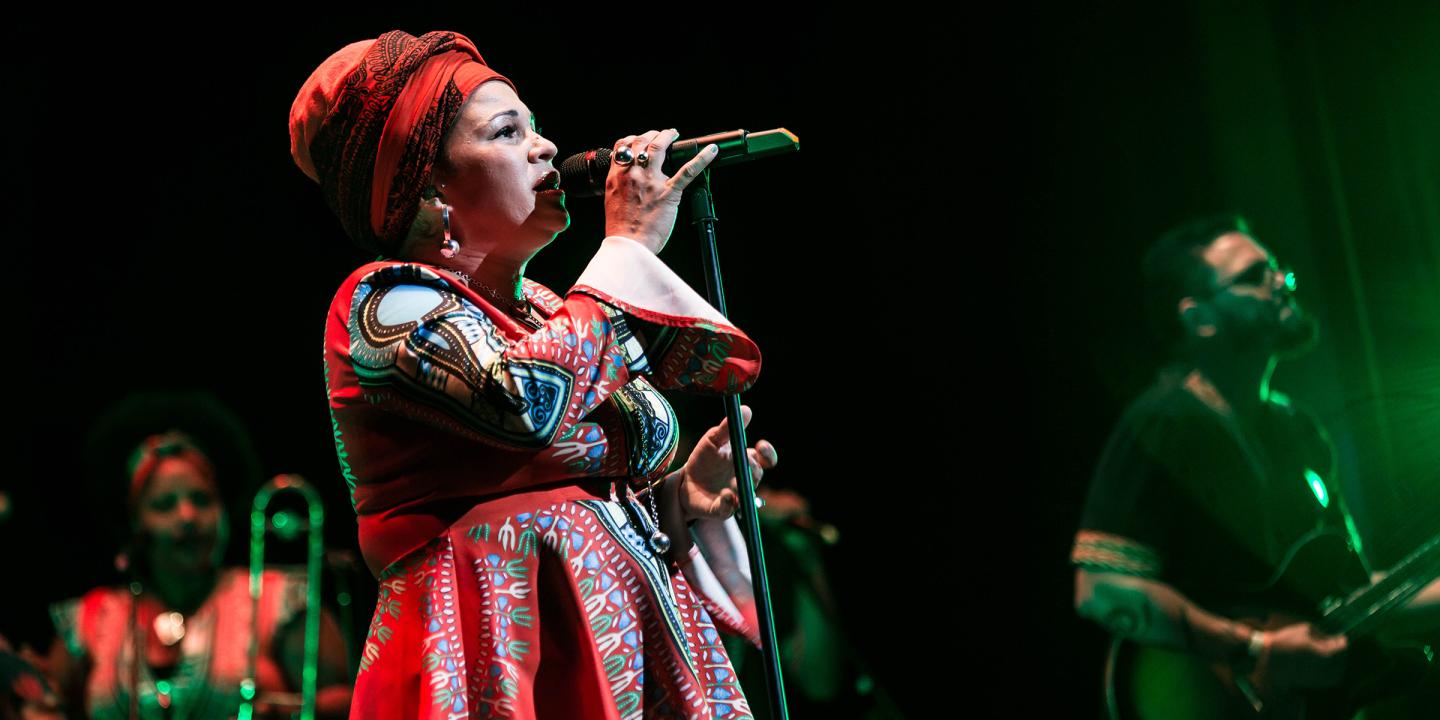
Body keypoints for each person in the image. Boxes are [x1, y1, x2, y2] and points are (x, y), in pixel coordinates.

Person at [290, 30, 779, 719]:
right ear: (427, 179)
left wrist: (677, 500)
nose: (546, 148)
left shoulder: (553, 308)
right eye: (507, 131)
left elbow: (572, 495)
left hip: (615, 641)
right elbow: (525, 403)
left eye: (538, 128)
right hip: (494, 645)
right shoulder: (383, 299)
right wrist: (628, 247)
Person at [1071, 215, 1440, 716]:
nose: (1281, 283)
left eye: (1277, 270)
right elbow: (1100, 589)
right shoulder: (1164, 423)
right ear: (1200, 318)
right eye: (1252, 277)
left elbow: (1349, 595)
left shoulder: (1300, 431)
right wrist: (1254, 650)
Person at [45, 432, 353, 719]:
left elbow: (351, 700)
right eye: (165, 505)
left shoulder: (277, 599)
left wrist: (287, 712)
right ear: (136, 523)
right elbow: (41, 705)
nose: (188, 517)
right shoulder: (94, 615)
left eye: (202, 500)